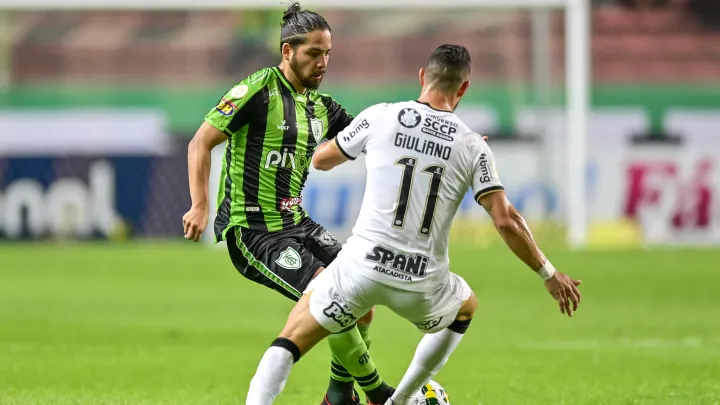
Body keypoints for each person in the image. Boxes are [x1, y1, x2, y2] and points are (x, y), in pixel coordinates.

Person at [243, 44, 583, 405]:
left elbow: (322, 161)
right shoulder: (472, 146)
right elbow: (507, 220)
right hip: (421, 283)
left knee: (289, 341)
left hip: (361, 269)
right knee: (466, 306)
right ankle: (399, 400)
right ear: (464, 89)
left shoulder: (382, 116)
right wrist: (548, 273)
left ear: (422, 76)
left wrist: (368, 145)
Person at [181, 3, 393, 405]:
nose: (322, 62)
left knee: (363, 294)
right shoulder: (258, 89)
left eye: (327, 53)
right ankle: (378, 392)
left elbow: (375, 137)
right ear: (287, 51)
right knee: (328, 294)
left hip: (299, 224)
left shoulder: (320, 106)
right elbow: (200, 142)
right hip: (255, 232)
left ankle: (338, 395)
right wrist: (200, 204)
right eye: (313, 53)